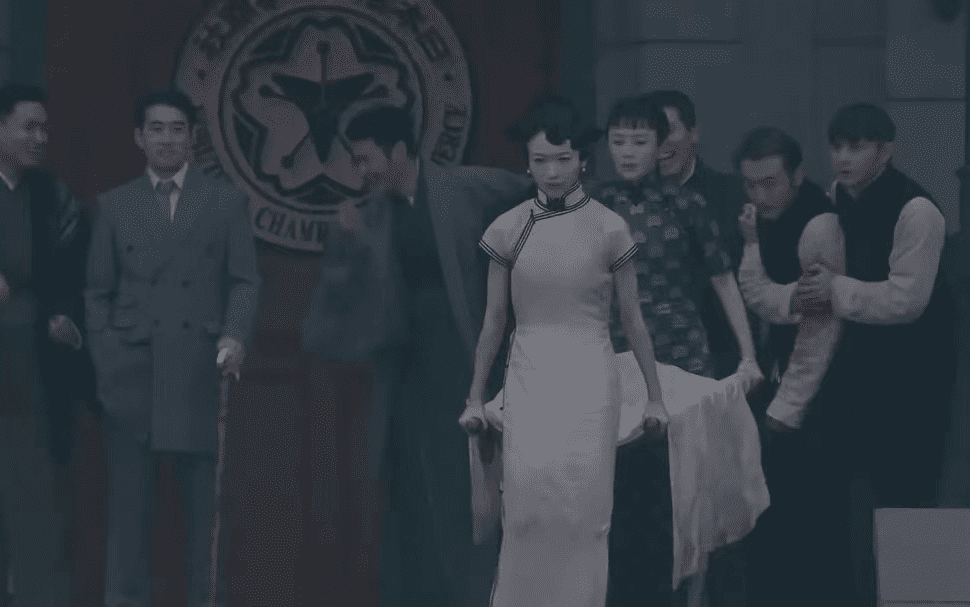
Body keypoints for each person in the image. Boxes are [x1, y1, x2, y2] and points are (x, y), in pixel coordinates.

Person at [301, 104, 536, 607]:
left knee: (472, 492)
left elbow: (540, 192)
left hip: (467, 364)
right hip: (406, 374)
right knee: (410, 492)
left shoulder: (465, 187)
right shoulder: (368, 216)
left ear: (399, 151)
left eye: (365, 159)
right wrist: (348, 245)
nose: (360, 172)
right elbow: (329, 322)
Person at [458, 95, 668, 607]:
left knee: (584, 514)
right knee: (526, 509)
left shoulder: (609, 227)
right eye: (541, 160)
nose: (552, 172)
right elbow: (494, 320)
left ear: (583, 161)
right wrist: (474, 396)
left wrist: (655, 397)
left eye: (563, 159)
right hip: (529, 377)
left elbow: (633, 319)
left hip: (591, 377)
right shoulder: (507, 227)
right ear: (526, 163)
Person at [84, 89, 262, 607]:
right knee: (129, 520)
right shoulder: (114, 204)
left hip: (196, 374)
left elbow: (244, 280)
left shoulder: (225, 201)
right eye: (156, 129)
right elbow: (97, 293)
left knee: (203, 519)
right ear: (139, 137)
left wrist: (235, 333)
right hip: (132, 376)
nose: (167, 139)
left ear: (193, 138)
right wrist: (108, 361)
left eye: (177, 128)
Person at [595, 95, 761, 607]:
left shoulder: (687, 204)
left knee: (688, 492)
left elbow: (722, 279)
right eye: (618, 141)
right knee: (620, 490)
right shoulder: (592, 205)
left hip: (683, 358)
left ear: (660, 145)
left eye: (639, 141)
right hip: (616, 359)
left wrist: (748, 355)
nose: (628, 152)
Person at [796, 103, 955, 606]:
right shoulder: (834, 199)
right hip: (852, 367)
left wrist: (835, 289)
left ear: (885, 152)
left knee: (904, 492)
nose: (842, 157)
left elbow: (908, 300)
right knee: (835, 492)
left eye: (856, 147)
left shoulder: (917, 210)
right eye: (836, 147)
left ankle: (910, 597)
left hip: (912, 372)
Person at [0, 83, 93, 607]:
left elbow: (79, 275)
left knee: (36, 496)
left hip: (33, 366)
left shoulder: (54, 197)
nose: (40, 138)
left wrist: (66, 318)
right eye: (28, 127)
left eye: (44, 128)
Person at [730, 126, 843, 606]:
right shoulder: (767, 218)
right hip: (785, 384)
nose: (759, 196)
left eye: (770, 183)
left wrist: (787, 407)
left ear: (797, 175)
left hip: (821, 397)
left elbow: (818, 328)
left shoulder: (819, 225)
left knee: (806, 522)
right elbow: (769, 301)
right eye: (751, 184)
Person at [646, 90, 747, 379]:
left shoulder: (733, 195)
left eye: (669, 130)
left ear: (694, 133)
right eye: (651, 133)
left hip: (722, 352)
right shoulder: (626, 202)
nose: (661, 142)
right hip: (648, 355)